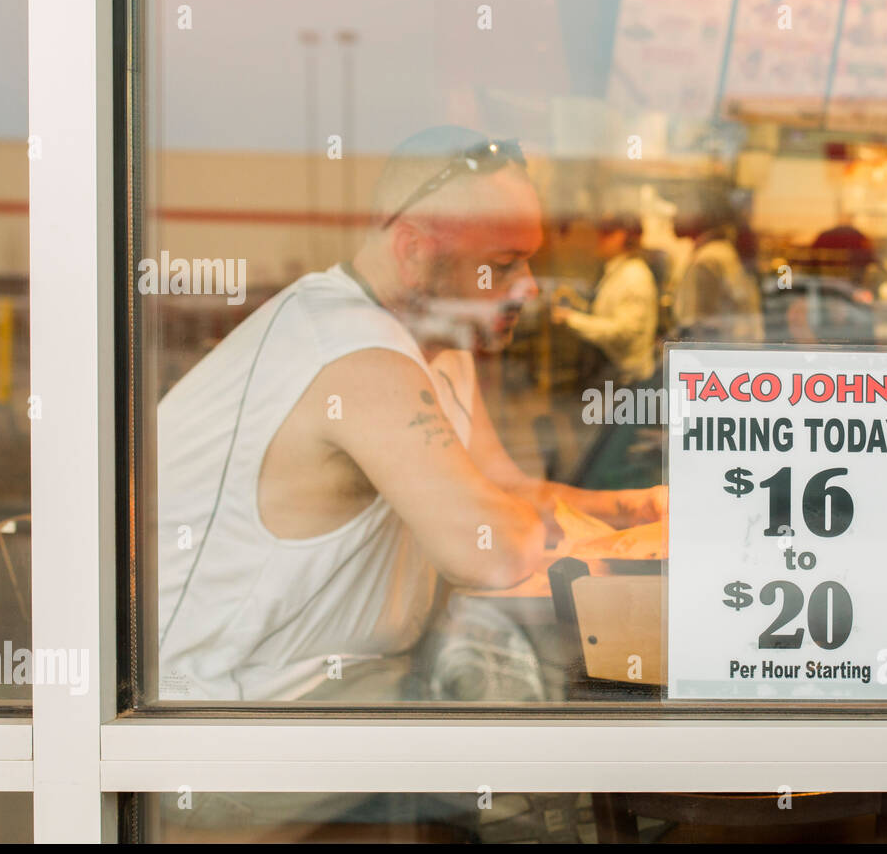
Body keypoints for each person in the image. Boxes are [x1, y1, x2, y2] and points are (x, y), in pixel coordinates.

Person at [156, 126, 665, 703]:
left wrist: (631, 509)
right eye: (503, 264)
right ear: (413, 252)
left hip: (346, 697)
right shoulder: (350, 350)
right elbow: (489, 551)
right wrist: (552, 529)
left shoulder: (437, 342)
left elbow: (504, 488)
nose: (529, 288)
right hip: (228, 730)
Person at [551, 213, 659, 385]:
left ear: (622, 236)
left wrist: (570, 318)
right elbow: (603, 314)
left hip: (628, 381)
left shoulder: (634, 275)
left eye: (606, 233)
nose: (599, 239)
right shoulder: (618, 270)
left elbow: (623, 332)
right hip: (615, 375)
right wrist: (575, 302)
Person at [670, 183, 764, 343]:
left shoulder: (708, 260)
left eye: (681, 209)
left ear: (701, 216)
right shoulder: (720, 250)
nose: (673, 216)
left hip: (719, 359)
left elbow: (701, 328)